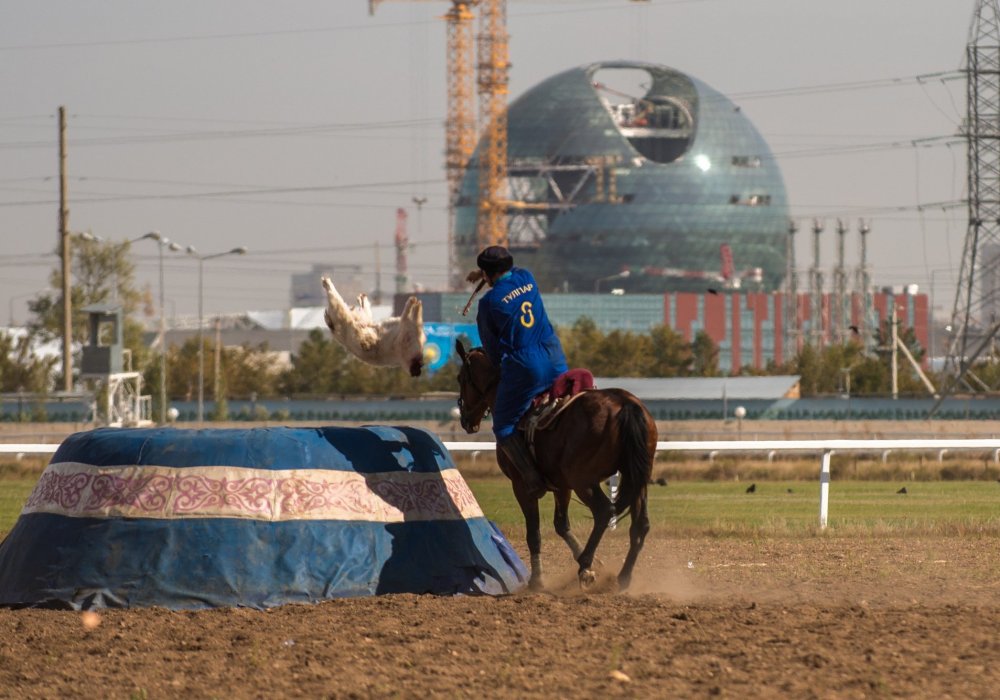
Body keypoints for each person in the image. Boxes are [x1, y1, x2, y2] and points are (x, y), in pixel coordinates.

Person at [473, 245, 568, 498]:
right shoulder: (527, 277)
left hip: (527, 366)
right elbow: (510, 274)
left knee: (503, 426)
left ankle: (532, 479)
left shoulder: (488, 303)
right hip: (555, 357)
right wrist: (486, 274)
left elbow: (492, 351)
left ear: (487, 274)